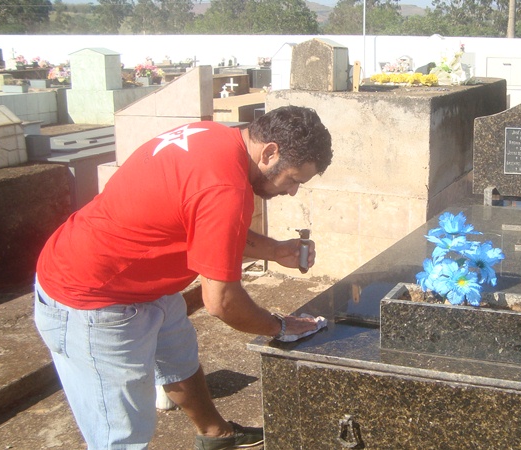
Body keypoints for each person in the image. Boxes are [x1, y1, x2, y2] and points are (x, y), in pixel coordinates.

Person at [33, 105, 333, 449]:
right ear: (269, 152)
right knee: (120, 434)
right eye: (293, 179)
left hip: (142, 280)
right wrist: (280, 326)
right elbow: (222, 302)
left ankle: (215, 435)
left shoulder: (218, 137)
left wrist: (276, 251)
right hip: (93, 298)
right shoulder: (225, 187)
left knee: (180, 359)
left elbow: (208, 225)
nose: (292, 191)